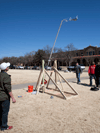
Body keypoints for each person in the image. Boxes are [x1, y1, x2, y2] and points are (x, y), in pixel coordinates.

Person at [0, 62, 16, 131]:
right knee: (4, 112)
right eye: (8, 67)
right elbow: (8, 89)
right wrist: (13, 98)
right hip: (4, 97)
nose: (8, 67)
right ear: (6, 68)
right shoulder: (6, 76)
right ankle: (4, 126)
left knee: (1, 111)